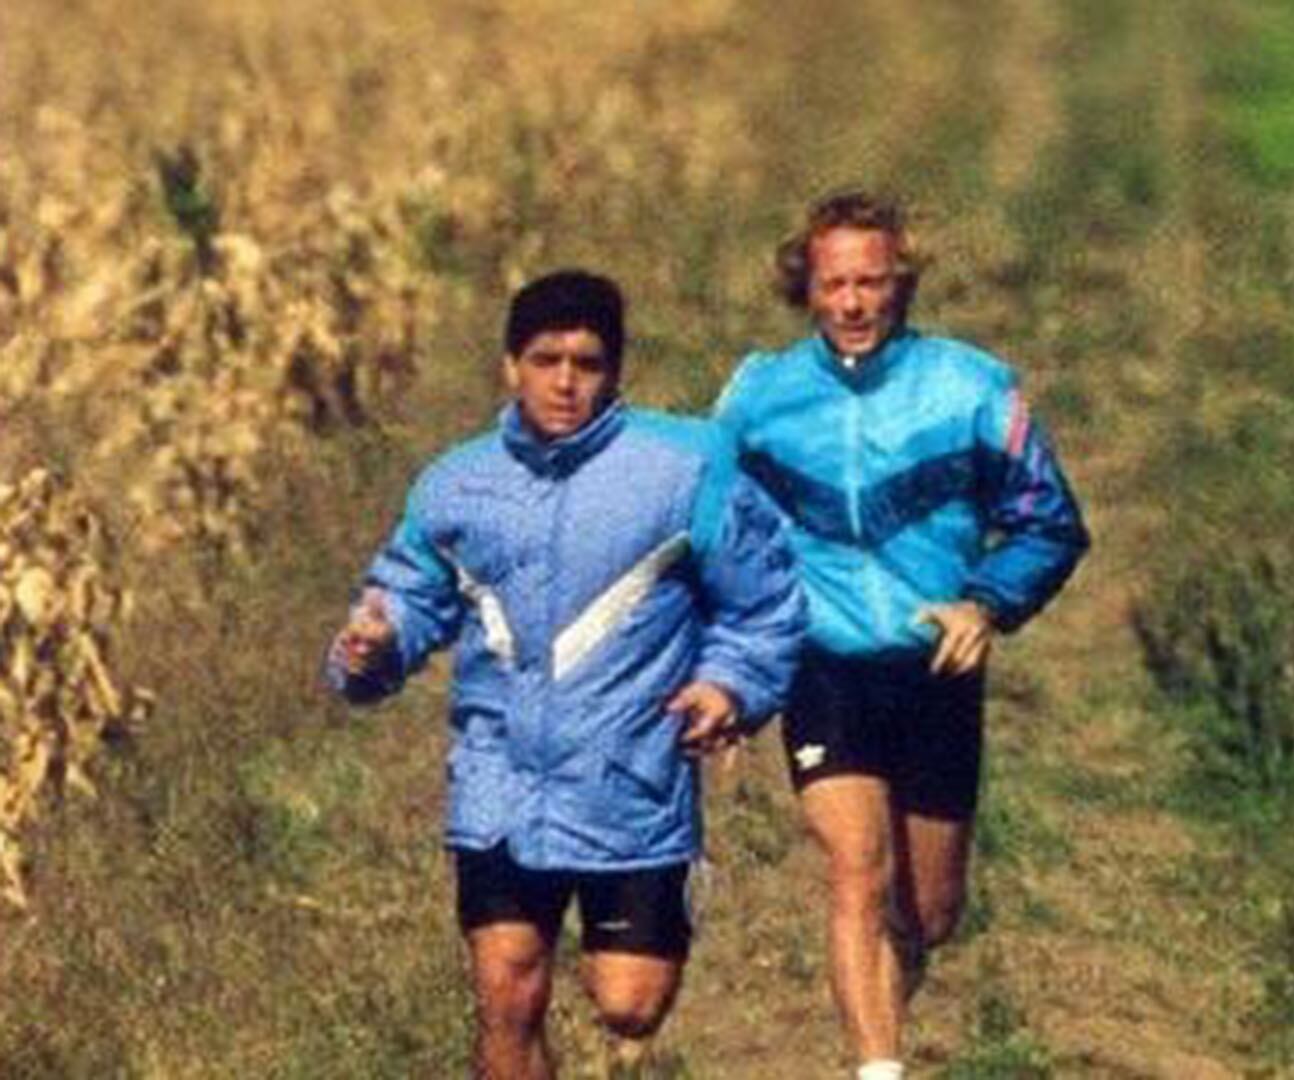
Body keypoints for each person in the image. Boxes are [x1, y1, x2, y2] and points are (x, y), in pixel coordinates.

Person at [325, 269, 806, 1079]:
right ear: (511, 364)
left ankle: (670, 909)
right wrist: (371, 647)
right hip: (500, 783)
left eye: (587, 362)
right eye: (546, 359)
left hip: (630, 782)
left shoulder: (683, 470)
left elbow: (765, 604)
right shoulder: (456, 484)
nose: (565, 381)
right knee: (506, 991)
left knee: (629, 1004)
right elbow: (406, 597)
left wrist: (729, 685)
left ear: (614, 370)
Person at [714, 191, 1090, 1079]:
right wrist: (723, 667)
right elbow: (707, 530)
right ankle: (878, 1067)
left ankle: (878, 1023)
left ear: (902, 284)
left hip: (935, 672)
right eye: (833, 283)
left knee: (926, 916)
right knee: (856, 867)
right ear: (803, 286)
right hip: (825, 664)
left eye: (871, 283)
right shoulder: (758, 398)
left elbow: (1051, 523)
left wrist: (986, 603)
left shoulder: (972, 389)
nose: (852, 304)